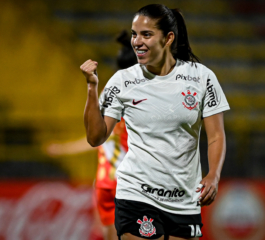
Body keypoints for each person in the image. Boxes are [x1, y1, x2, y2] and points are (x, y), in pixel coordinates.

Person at [80, 4, 230, 240]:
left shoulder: (201, 78)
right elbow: (95, 137)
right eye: (134, 34)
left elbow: (216, 136)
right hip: (136, 194)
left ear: (168, 38)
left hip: (185, 199)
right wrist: (91, 88)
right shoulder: (123, 81)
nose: (137, 41)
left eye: (146, 34)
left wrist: (213, 175)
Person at [46, 30, 137, 240]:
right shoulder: (141, 100)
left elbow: (96, 138)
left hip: (106, 180)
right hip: (129, 181)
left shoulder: (109, 93)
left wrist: (62, 148)